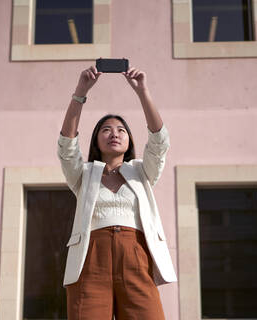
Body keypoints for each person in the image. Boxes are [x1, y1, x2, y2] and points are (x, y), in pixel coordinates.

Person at [57, 65, 177, 319]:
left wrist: (143, 92)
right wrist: (80, 92)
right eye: (106, 130)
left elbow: (159, 142)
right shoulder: (84, 174)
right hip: (90, 260)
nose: (115, 133)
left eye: (121, 130)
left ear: (129, 141)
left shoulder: (142, 172)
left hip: (136, 257)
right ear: (96, 140)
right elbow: (67, 146)